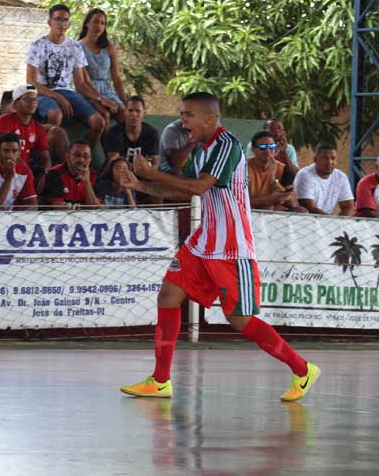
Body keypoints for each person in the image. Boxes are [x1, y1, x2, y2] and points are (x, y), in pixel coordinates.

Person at [118, 92, 320, 401]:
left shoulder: (228, 146)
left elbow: (199, 186)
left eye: (188, 115)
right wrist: (141, 185)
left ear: (210, 118)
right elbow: (189, 192)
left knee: (240, 320)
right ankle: (160, 381)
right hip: (202, 243)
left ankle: (302, 369)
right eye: (182, 114)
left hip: (231, 248)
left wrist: (149, 173)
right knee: (168, 296)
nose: (182, 120)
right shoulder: (202, 150)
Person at [25, 4, 108, 154]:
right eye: (57, 19)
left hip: (67, 92)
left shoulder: (75, 47)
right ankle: (48, 161)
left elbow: (81, 84)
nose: (61, 24)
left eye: (65, 20)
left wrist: (101, 99)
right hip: (43, 92)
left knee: (99, 122)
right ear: (49, 22)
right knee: (55, 115)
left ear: (69, 24)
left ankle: (78, 159)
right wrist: (56, 96)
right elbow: (31, 82)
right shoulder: (37, 45)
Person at [0, 84, 51, 185]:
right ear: (16, 103)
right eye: (28, 99)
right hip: (5, 170)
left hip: (26, 173)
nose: (33, 103)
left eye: (35, 99)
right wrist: (27, 173)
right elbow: (3, 152)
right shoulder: (5, 121)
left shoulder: (38, 128)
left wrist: (46, 174)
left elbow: (45, 157)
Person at [78, 8, 127, 123]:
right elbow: (83, 82)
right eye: (95, 22)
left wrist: (125, 102)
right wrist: (100, 99)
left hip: (107, 90)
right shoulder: (77, 47)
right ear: (87, 24)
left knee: (124, 114)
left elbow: (117, 78)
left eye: (102, 23)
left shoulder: (109, 47)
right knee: (104, 116)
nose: (99, 26)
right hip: (88, 92)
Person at [247, 131, 302, 212]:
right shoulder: (244, 167)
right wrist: (273, 199)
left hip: (274, 213)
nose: (268, 150)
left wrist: (273, 179)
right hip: (249, 211)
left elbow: (292, 203)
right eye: (262, 147)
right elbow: (242, 201)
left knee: (301, 211)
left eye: (271, 146)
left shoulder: (282, 168)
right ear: (253, 149)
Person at [293, 143, 354, 215]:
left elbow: (348, 206)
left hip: (327, 221)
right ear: (315, 159)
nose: (329, 162)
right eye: (325, 158)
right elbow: (309, 208)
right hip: (305, 221)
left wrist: (340, 222)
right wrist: (332, 221)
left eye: (333, 158)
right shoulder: (305, 175)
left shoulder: (341, 177)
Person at [40, 140, 100, 208]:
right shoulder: (54, 174)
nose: (81, 160)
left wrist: (87, 182)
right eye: (77, 155)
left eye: (86, 156)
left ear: (90, 159)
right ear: (67, 156)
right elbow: (57, 209)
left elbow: (96, 209)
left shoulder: (95, 176)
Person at [0, 132, 37, 210]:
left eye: (14, 151)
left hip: (15, 217)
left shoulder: (24, 171)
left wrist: (20, 217)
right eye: (6, 150)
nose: (10, 155)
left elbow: (32, 204)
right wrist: (9, 177)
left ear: (19, 153)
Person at [103, 95, 159, 166]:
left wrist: (146, 167)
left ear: (144, 113)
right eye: (130, 111)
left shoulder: (151, 133)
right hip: (118, 172)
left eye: (138, 111)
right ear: (125, 112)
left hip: (142, 172)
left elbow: (153, 163)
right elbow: (114, 164)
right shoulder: (114, 133)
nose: (134, 114)